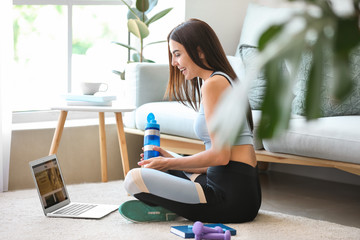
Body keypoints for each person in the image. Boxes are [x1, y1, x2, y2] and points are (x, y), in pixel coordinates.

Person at [120, 18, 261, 223]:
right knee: (166, 167)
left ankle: (171, 208)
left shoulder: (214, 84)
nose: (173, 63)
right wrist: (169, 160)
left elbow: (220, 157)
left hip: (230, 197)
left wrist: (168, 162)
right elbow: (224, 162)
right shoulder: (223, 80)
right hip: (239, 189)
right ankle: (177, 206)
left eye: (177, 54)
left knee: (134, 179)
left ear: (200, 51)